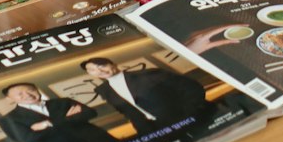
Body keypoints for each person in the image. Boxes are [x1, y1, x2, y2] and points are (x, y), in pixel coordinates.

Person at [80, 55, 209, 135]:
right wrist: (145, 133)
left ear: (113, 64)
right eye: (92, 70)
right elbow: (128, 112)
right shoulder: (103, 90)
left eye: (101, 65)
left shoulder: (148, 74)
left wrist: (190, 112)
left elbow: (192, 88)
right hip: (155, 132)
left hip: (189, 119)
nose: (100, 71)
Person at [0, 82, 112, 142]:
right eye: (20, 94)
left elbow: (90, 113)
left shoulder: (63, 102)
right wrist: (68, 118)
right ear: (10, 99)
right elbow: (27, 138)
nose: (28, 94)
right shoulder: (9, 119)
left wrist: (49, 124)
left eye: (30, 90)